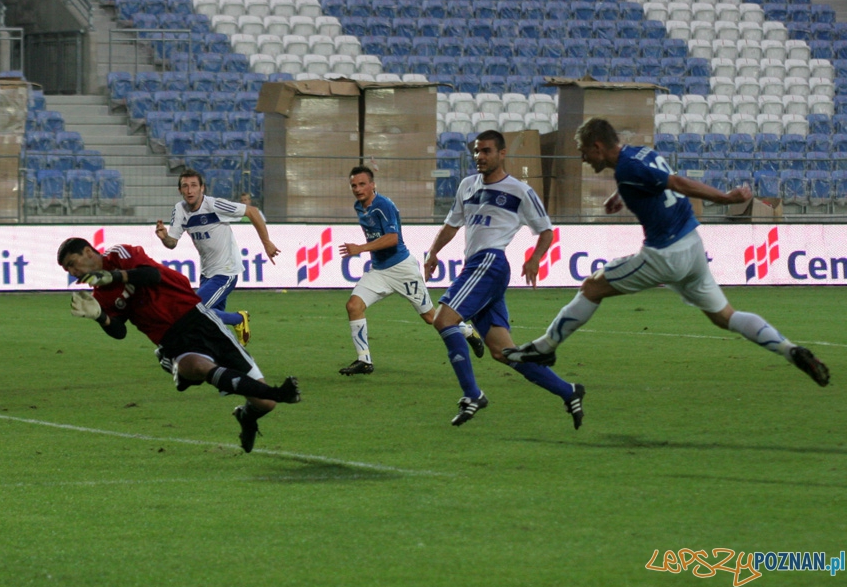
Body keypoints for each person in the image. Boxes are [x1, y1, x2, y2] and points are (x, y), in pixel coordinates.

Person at [504, 117, 831, 390]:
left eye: (584, 151)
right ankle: (791, 350)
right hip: (692, 244)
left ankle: (544, 349)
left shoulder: (628, 168)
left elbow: (677, 182)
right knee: (725, 316)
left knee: (592, 287)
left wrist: (726, 198)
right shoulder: (638, 154)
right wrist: (622, 195)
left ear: (598, 146)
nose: (583, 158)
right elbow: (653, 178)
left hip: (665, 254)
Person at [58, 237, 300, 453]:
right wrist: (99, 316)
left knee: (265, 405)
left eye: (72, 263)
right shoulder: (101, 295)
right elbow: (119, 331)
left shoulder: (119, 254)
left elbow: (152, 275)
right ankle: (275, 392)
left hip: (200, 319)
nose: (72, 271)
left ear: (88, 252)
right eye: (67, 268)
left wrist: (114, 276)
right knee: (197, 365)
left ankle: (247, 415)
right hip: (172, 338)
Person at [424, 130, 587, 428]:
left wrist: (535, 258)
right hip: (476, 265)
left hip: (490, 262)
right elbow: (451, 224)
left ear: (501, 154)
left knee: (443, 320)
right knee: (503, 352)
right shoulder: (467, 186)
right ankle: (568, 391)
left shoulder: (519, 191)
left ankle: (473, 395)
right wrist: (433, 252)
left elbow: (546, 231)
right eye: (476, 151)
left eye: (486, 151)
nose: (479, 157)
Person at [337, 165, 485, 375]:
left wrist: (360, 248)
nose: (358, 189)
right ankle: (364, 361)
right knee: (353, 306)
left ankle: (467, 331)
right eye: (354, 185)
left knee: (431, 318)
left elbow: (392, 238)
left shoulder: (383, 205)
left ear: (372, 185)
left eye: (362, 184)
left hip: (402, 269)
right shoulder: (359, 207)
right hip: (379, 271)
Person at [155, 170, 279, 347]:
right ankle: (227, 355)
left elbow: (252, 211)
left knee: (195, 311)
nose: (189, 190)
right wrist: (164, 237)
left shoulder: (215, 206)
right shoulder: (179, 210)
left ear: (202, 188)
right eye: (185, 186)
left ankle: (238, 318)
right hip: (207, 274)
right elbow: (172, 243)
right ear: (180, 190)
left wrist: (267, 243)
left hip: (226, 272)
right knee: (212, 322)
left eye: (194, 186)